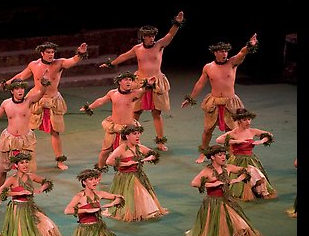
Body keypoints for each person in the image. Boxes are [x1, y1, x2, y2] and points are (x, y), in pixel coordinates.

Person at [0, 41, 89, 170]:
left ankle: (60, 160)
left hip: (53, 100)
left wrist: (80, 54)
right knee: (26, 130)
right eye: (48, 52)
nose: (51, 55)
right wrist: (5, 84)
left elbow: (72, 61)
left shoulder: (59, 63)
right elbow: (21, 76)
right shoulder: (34, 65)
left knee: (55, 132)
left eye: (52, 52)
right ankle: (20, 159)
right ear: (42, 53)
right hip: (35, 100)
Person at [100, 12, 185, 152]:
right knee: (135, 113)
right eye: (148, 36)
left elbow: (170, 35)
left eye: (153, 36)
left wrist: (177, 23)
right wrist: (111, 64)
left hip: (156, 81)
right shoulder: (137, 49)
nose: (151, 38)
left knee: (156, 113)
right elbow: (124, 56)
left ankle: (160, 141)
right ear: (143, 37)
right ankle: (128, 140)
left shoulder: (159, 45)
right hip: (139, 82)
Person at [181, 33, 259, 163]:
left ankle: (231, 154)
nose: (225, 54)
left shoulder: (233, 62)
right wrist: (190, 98)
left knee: (232, 130)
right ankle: (204, 153)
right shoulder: (208, 67)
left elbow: (242, 52)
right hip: (214, 102)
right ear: (215, 52)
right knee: (207, 130)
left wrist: (250, 45)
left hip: (230, 102)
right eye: (222, 52)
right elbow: (200, 83)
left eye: (226, 51)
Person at [0, 77, 49, 206]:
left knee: (27, 170)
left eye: (22, 88)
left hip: (26, 140)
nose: (20, 91)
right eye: (17, 89)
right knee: (4, 169)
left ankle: (26, 196)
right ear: (12, 91)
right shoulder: (6, 104)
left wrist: (44, 83)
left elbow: (41, 93)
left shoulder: (29, 101)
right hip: (9, 140)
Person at [186, 145, 263, 236]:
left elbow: (246, 170)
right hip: (214, 203)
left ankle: (235, 235)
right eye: (220, 155)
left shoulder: (228, 168)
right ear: (213, 157)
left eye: (224, 155)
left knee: (241, 225)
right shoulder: (207, 171)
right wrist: (212, 184)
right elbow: (194, 183)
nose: (223, 157)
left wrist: (237, 179)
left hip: (228, 200)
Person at [62, 168, 134, 236]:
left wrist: (112, 204)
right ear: (84, 182)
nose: (95, 181)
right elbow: (67, 210)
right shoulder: (79, 197)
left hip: (99, 229)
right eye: (91, 179)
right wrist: (86, 211)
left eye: (96, 179)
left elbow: (120, 198)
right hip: (86, 231)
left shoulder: (99, 194)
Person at [0, 152, 67, 236]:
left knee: (49, 227)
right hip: (18, 209)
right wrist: (18, 193)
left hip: (30, 207)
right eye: (22, 163)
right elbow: (0, 192)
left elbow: (47, 182)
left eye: (26, 162)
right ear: (16, 165)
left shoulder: (31, 176)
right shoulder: (12, 179)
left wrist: (41, 188)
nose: (25, 165)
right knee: (25, 235)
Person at [79, 71, 144, 172]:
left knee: (131, 151)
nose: (128, 82)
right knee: (105, 151)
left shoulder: (134, 94)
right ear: (119, 82)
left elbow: (143, 90)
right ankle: (99, 170)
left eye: (130, 80)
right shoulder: (112, 93)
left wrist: (149, 84)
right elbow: (101, 101)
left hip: (128, 129)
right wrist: (89, 107)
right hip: (114, 128)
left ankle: (134, 171)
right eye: (126, 80)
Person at [104, 124, 168, 221]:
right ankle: (131, 213)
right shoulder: (121, 149)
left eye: (138, 133)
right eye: (134, 134)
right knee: (129, 195)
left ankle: (145, 211)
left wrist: (150, 157)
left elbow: (154, 154)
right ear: (127, 136)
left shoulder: (139, 147)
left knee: (142, 193)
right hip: (125, 177)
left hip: (138, 175)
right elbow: (109, 161)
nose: (137, 136)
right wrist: (125, 164)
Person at [215, 108, 277, 201]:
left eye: (249, 119)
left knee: (257, 174)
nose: (248, 122)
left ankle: (257, 190)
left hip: (251, 158)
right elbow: (218, 140)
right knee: (240, 179)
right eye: (245, 120)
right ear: (239, 121)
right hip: (237, 160)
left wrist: (261, 141)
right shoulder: (234, 132)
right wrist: (236, 141)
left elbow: (269, 135)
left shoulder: (252, 131)